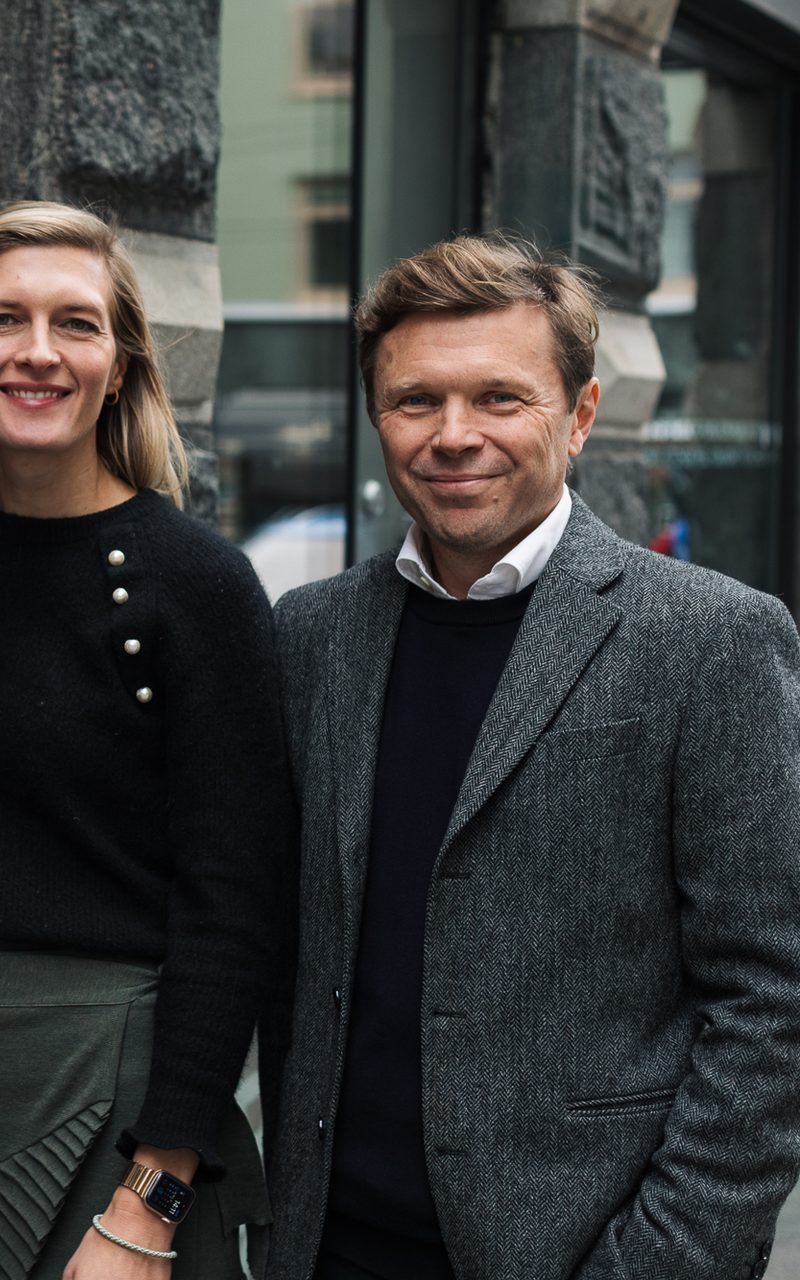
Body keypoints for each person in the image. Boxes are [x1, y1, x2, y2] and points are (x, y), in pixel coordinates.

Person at [264, 233, 800, 1280]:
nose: (453, 435)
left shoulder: (713, 638)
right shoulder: (313, 635)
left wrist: (664, 1260)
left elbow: (772, 995)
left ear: (581, 415)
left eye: (500, 398)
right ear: (379, 417)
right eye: (416, 400)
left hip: (583, 1252)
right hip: (329, 1247)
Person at [0, 201, 287, 1280]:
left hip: (116, 1089)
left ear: (118, 364)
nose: (38, 352)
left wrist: (156, 1194)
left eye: (75, 324)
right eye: (2, 320)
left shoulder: (198, 586)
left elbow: (235, 905)